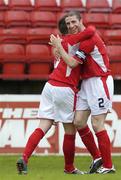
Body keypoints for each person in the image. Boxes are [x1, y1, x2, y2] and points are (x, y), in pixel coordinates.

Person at [16, 17, 101, 175]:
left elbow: (60, 50)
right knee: (70, 131)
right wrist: (80, 25)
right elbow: (90, 31)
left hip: (49, 86)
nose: (72, 26)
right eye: (70, 24)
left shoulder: (60, 41)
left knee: (43, 126)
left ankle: (24, 158)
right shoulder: (74, 40)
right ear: (67, 28)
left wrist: (57, 42)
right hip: (65, 87)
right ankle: (69, 167)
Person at [50, 11, 116, 174]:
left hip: (100, 81)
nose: (71, 26)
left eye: (74, 22)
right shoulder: (81, 39)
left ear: (81, 21)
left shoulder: (89, 40)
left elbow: (72, 63)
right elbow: (69, 48)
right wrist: (58, 49)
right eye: (68, 24)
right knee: (78, 121)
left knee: (97, 123)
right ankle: (97, 157)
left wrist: (59, 46)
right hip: (86, 83)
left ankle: (108, 166)